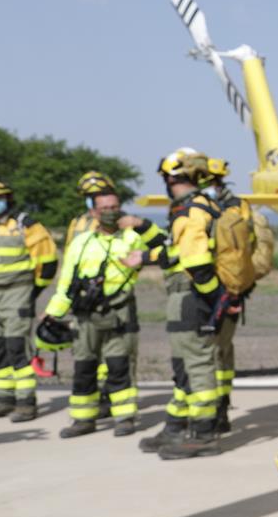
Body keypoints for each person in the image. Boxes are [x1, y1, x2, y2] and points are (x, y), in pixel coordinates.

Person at [36, 185, 149, 437]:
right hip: (86, 314)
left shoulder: (132, 237)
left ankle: (124, 418)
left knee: (120, 366)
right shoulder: (81, 242)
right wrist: (53, 311)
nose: (110, 212)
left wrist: (141, 226)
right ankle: (83, 419)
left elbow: (160, 243)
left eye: (114, 207)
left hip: (119, 312)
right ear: (94, 213)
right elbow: (66, 282)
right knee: (84, 367)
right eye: (105, 208)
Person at [139, 149, 227, 459]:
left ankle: (203, 435)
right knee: (184, 365)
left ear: (172, 178)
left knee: (197, 364)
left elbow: (197, 262)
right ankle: (176, 426)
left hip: (191, 296)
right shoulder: (201, 207)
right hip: (188, 295)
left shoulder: (190, 211)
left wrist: (210, 298)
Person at [65, 171, 167, 417]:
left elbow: (163, 246)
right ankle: (97, 404)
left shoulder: (129, 226)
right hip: (86, 303)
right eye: (90, 198)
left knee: (120, 360)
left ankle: (118, 406)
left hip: (118, 303)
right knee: (88, 361)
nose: (99, 204)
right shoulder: (78, 225)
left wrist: (140, 225)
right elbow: (70, 262)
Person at [0, 176, 58, 422]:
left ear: (8, 198)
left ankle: (26, 402)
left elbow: (47, 263)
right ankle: (4, 399)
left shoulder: (26, 224)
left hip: (17, 292)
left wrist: (31, 293)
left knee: (17, 347)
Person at [201, 158, 267, 434]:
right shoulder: (240, 209)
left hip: (218, 294)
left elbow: (250, 255)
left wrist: (236, 289)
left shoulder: (226, 213)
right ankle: (219, 409)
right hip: (227, 291)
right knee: (221, 354)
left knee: (213, 354)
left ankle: (215, 412)